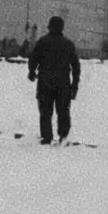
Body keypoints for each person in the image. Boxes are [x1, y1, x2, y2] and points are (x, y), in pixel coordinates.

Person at [28, 15, 81, 144]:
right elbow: (75, 66)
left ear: (49, 27)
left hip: (45, 82)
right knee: (63, 111)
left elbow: (33, 58)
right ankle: (63, 136)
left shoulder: (42, 42)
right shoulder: (68, 44)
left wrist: (32, 72)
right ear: (62, 28)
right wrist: (74, 86)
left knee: (45, 110)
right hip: (63, 83)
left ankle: (47, 136)